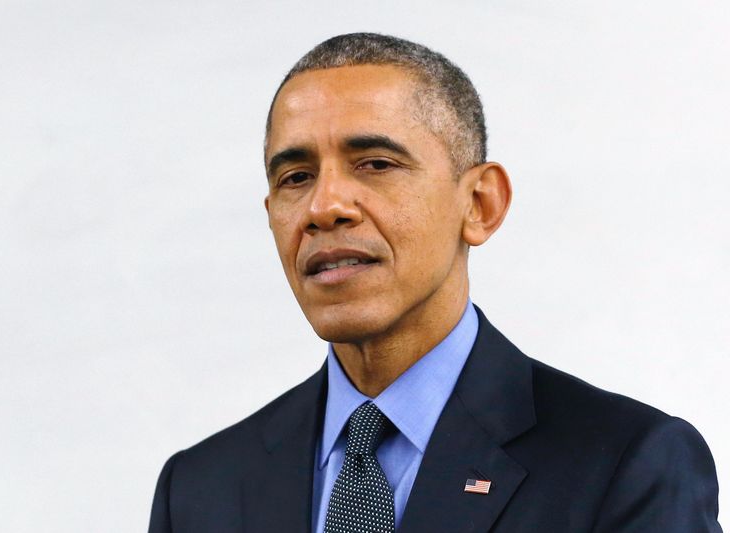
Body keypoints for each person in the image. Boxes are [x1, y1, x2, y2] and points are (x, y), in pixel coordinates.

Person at [147, 33, 721, 532]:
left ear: (480, 204)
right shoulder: (199, 489)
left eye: (374, 163)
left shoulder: (628, 464)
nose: (324, 207)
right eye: (296, 177)